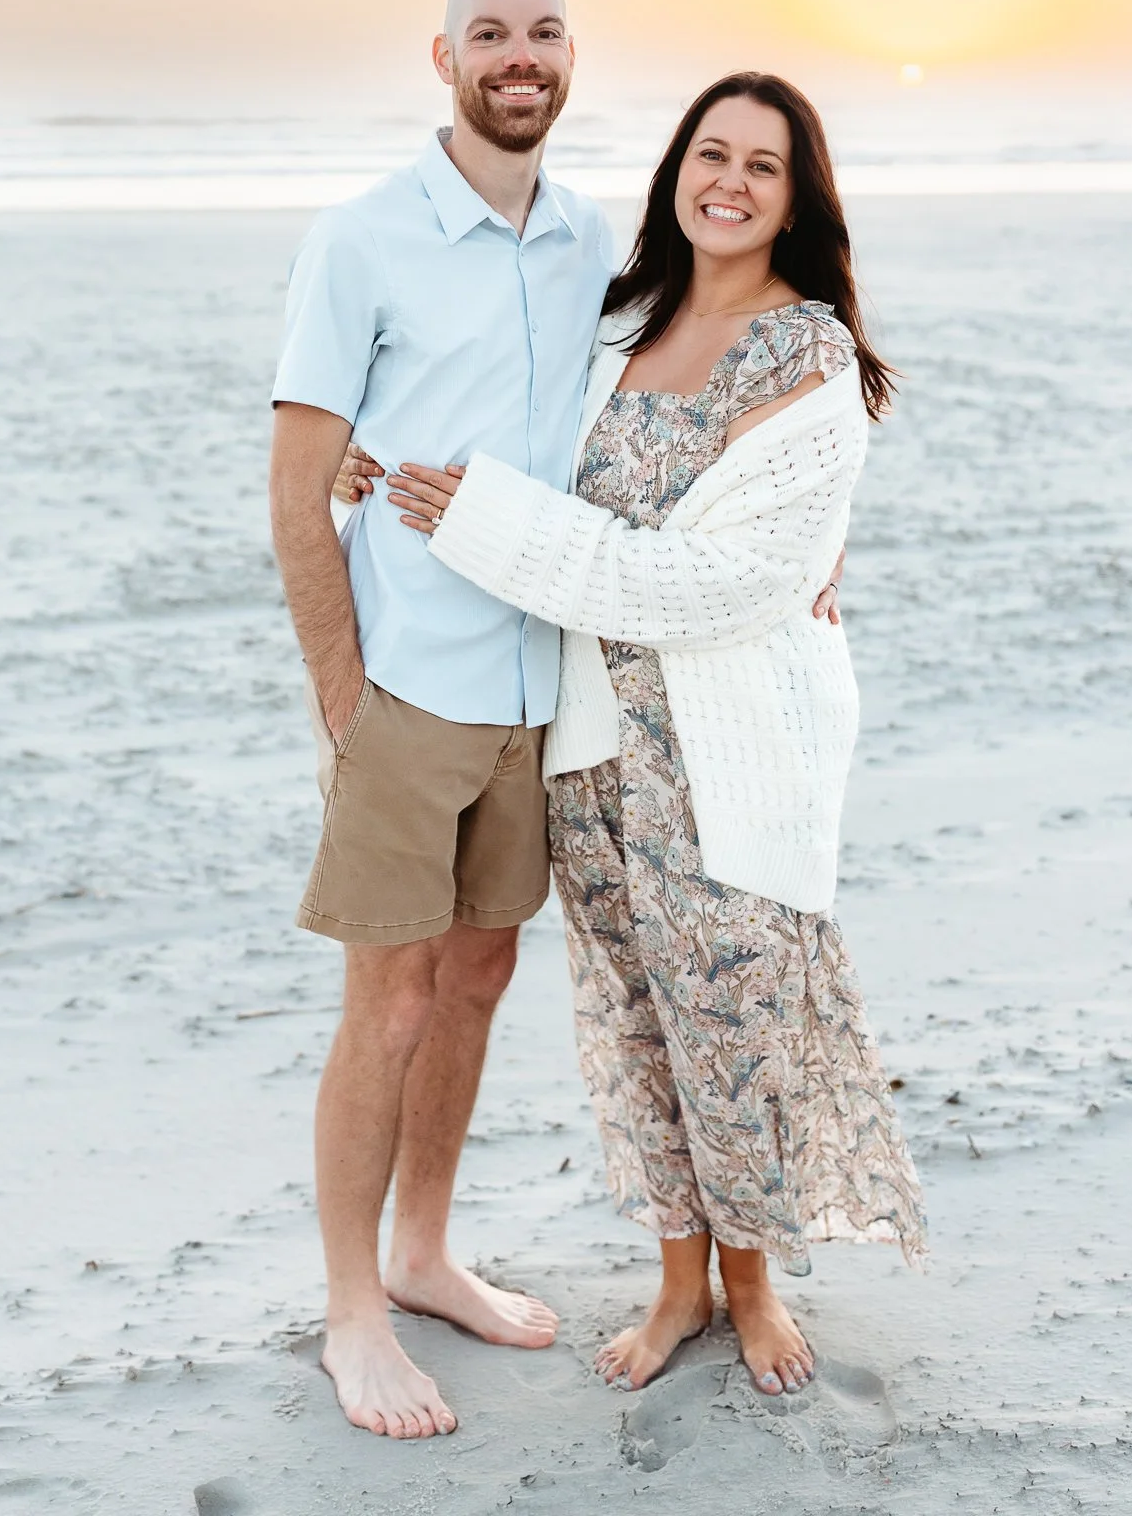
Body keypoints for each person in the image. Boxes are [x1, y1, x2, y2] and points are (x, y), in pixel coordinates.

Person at [374, 71, 927, 1398]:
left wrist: (491, 525)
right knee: (634, 1019)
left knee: (734, 1027)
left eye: (763, 166)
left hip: (730, 757)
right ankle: (680, 1280)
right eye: (710, 154)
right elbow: (523, 447)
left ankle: (755, 1283)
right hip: (596, 751)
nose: (727, 181)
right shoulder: (626, 328)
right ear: (678, 168)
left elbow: (708, 587)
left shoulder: (809, 357)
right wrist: (375, 463)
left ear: (800, 201)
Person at [268, 0, 614, 1440]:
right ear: (445, 57)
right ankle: (354, 1314)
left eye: (542, 34)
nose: (518, 58)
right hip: (408, 689)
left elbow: (663, 400)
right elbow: (298, 492)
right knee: (390, 1004)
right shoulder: (362, 240)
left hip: (542, 687)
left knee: (479, 981)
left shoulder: (594, 235)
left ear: (568, 57)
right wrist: (343, 699)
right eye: (493, 34)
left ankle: (423, 1253)